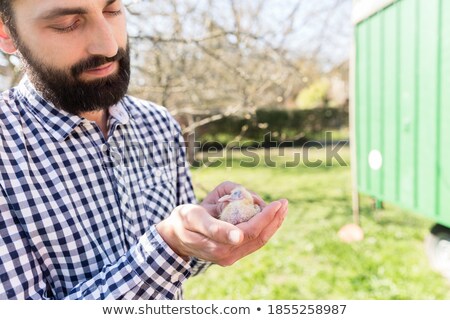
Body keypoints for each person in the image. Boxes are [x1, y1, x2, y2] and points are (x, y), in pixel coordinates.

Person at [0, 0, 288, 300]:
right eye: (68, 23)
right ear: (6, 33)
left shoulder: (158, 124)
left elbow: (180, 267)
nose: (110, 46)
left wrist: (203, 233)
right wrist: (168, 246)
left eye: (112, 11)